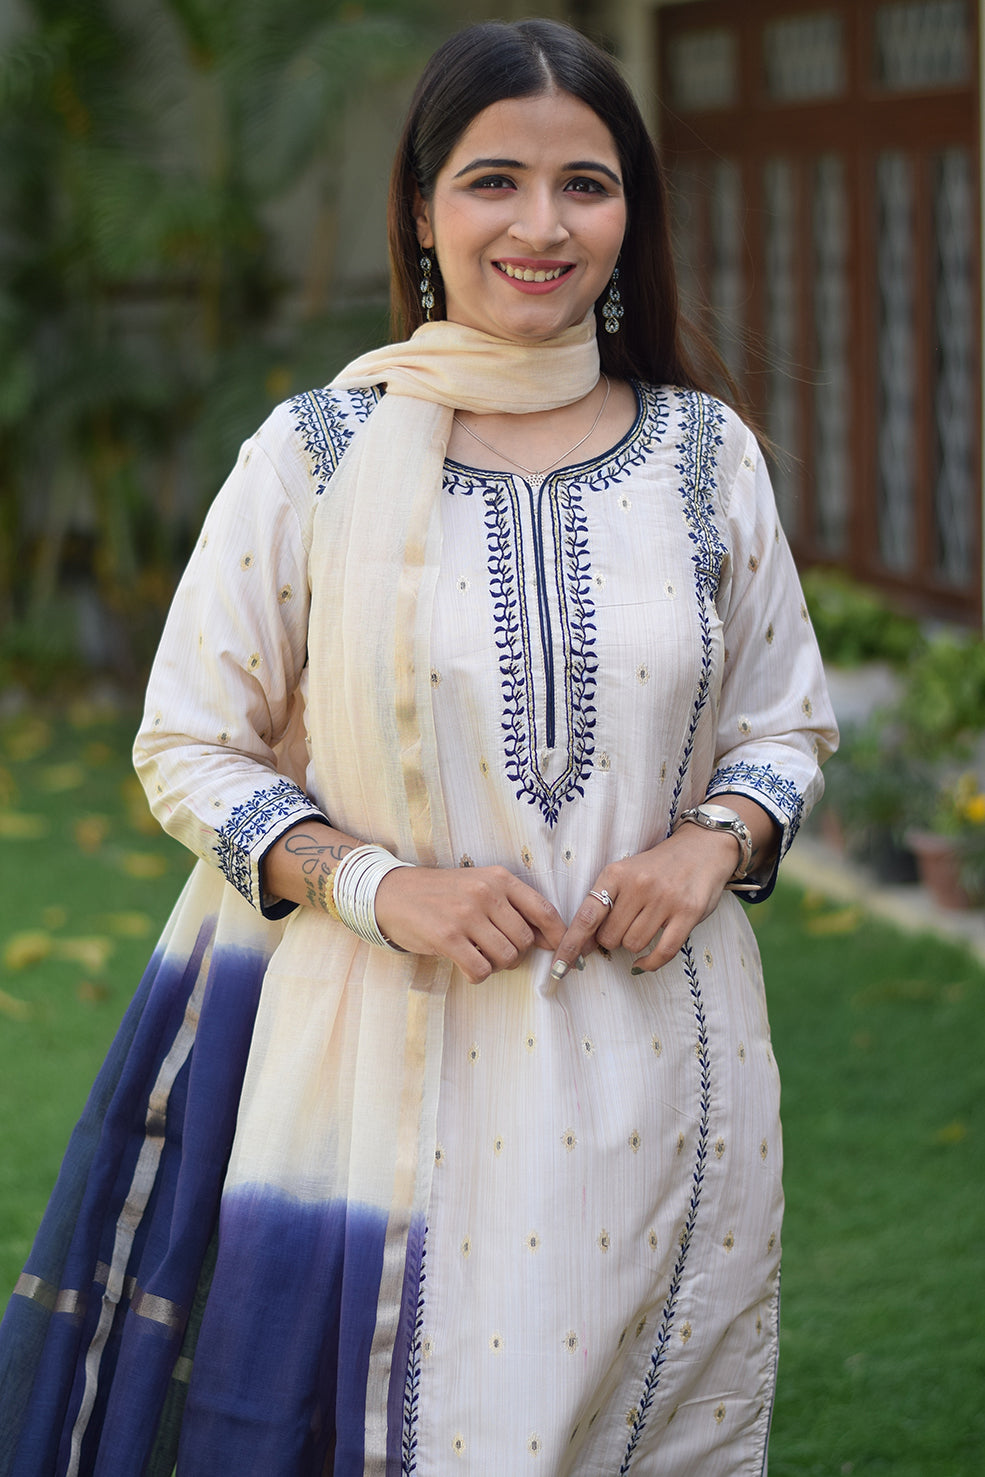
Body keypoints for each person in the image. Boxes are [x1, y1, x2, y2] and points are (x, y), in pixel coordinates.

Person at [0, 18, 837, 1476]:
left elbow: (785, 717)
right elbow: (187, 740)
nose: (539, 223)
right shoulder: (314, 454)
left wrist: (715, 841)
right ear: (420, 209)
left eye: (584, 184)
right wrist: (379, 883)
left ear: (629, 213)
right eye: (492, 180)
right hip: (388, 1059)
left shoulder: (706, 455)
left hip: (668, 1056)